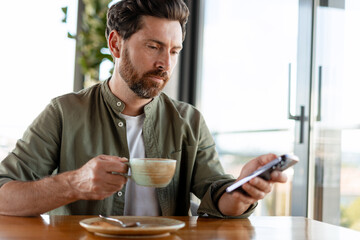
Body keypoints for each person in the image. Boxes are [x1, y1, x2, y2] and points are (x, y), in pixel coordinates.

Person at [0, 0, 287, 217]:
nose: (166, 64)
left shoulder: (189, 121)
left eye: (174, 51)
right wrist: (75, 183)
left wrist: (243, 190)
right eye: (153, 46)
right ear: (115, 44)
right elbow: (4, 196)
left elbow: (218, 196)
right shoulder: (64, 112)